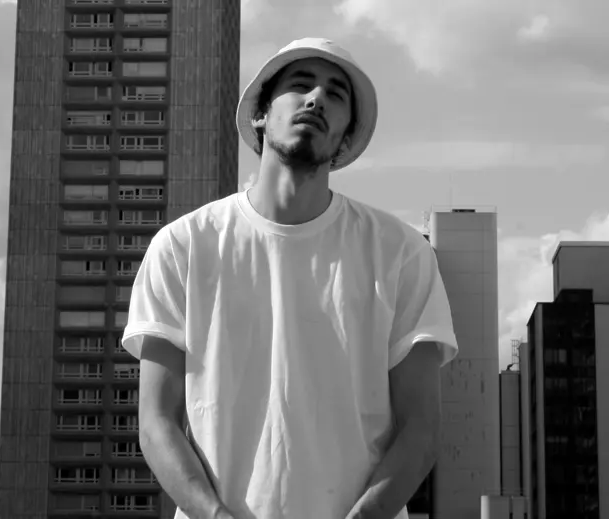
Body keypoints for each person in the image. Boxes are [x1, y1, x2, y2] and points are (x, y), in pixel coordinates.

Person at [121, 38, 458, 519]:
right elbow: (156, 421)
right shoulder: (185, 245)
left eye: (336, 94)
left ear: (346, 139)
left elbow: (421, 427)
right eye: (301, 84)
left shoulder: (399, 252)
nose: (316, 98)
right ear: (260, 114)